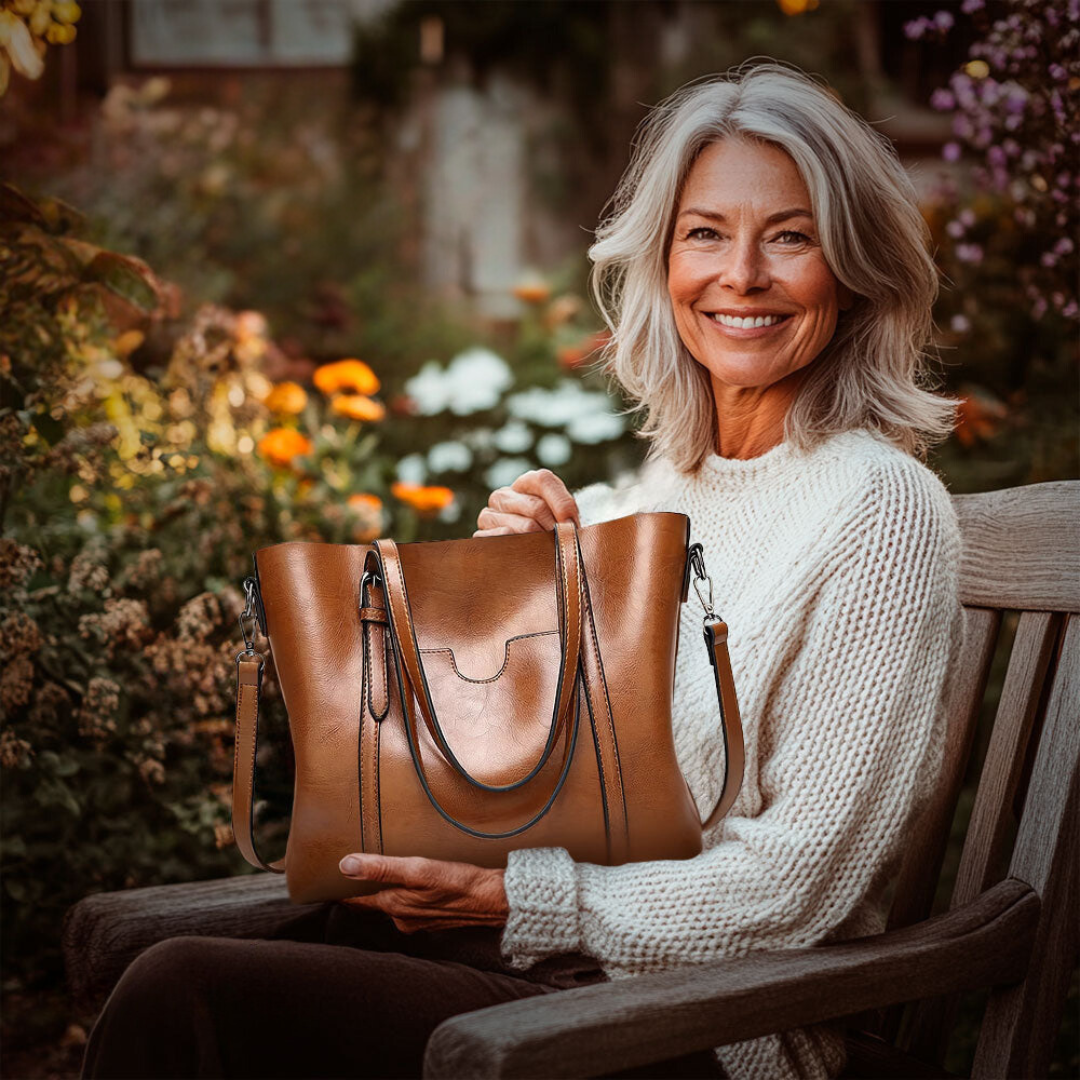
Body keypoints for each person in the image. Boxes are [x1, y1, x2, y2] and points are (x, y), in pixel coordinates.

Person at [80, 58, 966, 1080]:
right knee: (195, 968)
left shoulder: (880, 508)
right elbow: (552, 786)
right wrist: (509, 591)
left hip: (701, 1029)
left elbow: (798, 885)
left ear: (854, 268)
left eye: (792, 236)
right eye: (706, 233)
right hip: (551, 972)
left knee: (186, 996)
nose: (743, 277)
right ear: (662, 263)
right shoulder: (661, 491)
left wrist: (523, 900)